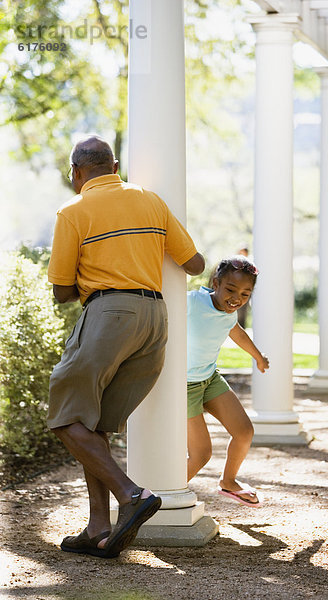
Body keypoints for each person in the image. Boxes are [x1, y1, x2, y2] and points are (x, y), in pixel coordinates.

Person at [47, 135, 205, 558]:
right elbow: (195, 264)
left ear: (77, 173)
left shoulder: (73, 210)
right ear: (114, 166)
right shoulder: (150, 201)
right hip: (154, 320)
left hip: (109, 315)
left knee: (64, 415)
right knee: (92, 425)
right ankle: (97, 526)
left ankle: (130, 494)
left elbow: (62, 290)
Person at [187, 255, 269, 507]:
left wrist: (258, 357)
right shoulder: (192, 302)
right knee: (201, 454)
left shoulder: (228, 313)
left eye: (245, 294)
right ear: (216, 283)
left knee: (244, 432)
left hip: (209, 378)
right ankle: (159, 495)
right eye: (231, 290)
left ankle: (229, 481)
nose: (236, 299)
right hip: (182, 387)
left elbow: (236, 333)